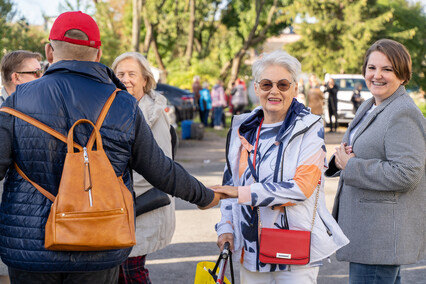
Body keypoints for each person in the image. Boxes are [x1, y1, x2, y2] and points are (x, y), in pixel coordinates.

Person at [0, 11, 231, 283]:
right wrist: (204, 196)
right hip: (98, 245)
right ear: (98, 55)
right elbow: (160, 169)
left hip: (30, 248)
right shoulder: (122, 104)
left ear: (49, 52)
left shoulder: (17, 101)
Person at [214, 50, 349, 283]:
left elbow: (301, 189)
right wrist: (225, 228)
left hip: (294, 254)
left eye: (283, 84)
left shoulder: (309, 129)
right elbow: (229, 185)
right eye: (266, 84)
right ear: (256, 88)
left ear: (295, 88)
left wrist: (241, 193)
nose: (274, 91)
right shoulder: (241, 130)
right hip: (251, 249)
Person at [326, 39, 426, 284]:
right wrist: (338, 162)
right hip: (368, 235)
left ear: (402, 75)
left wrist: (351, 166)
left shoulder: (402, 112)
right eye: (372, 68)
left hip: (379, 240)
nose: (377, 75)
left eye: (387, 69)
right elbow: (359, 151)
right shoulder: (370, 105)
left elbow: (407, 173)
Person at [111, 52, 175, 284]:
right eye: (120, 74)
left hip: (140, 208)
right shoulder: (116, 109)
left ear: (145, 80)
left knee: (131, 272)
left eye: (132, 74)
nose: (126, 79)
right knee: (119, 273)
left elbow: (160, 165)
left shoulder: (154, 114)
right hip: (120, 211)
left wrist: (115, 192)